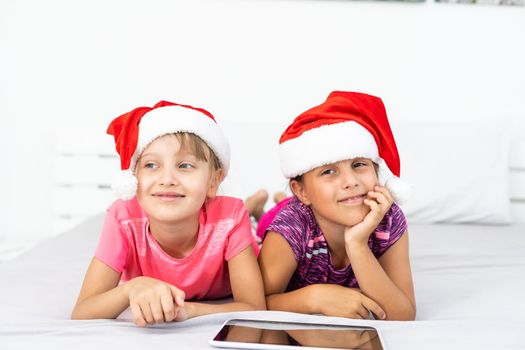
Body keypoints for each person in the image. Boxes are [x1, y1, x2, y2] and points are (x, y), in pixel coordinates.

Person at [71, 101, 266, 326]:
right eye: (151, 165)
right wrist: (131, 289)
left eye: (184, 166)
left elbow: (253, 306)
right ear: (134, 178)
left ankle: (255, 206)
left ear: (214, 181)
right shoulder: (122, 218)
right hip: (217, 211)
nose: (167, 180)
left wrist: (188, 310)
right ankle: (254, 203)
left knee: (260, 228)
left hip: (234, 221)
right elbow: (83, 310)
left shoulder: (231, 217)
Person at [257, 91, 416, 321]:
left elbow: (403, 315)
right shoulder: (290, 227)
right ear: (302, 191)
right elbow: (255, 302)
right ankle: (259, 207)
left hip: (315, 208)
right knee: (266, 220)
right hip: (283, 217)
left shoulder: (389, 219)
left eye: (359, 164)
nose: (351, 182)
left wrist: (357, 244)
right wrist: (315, 297)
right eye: (328, 171)